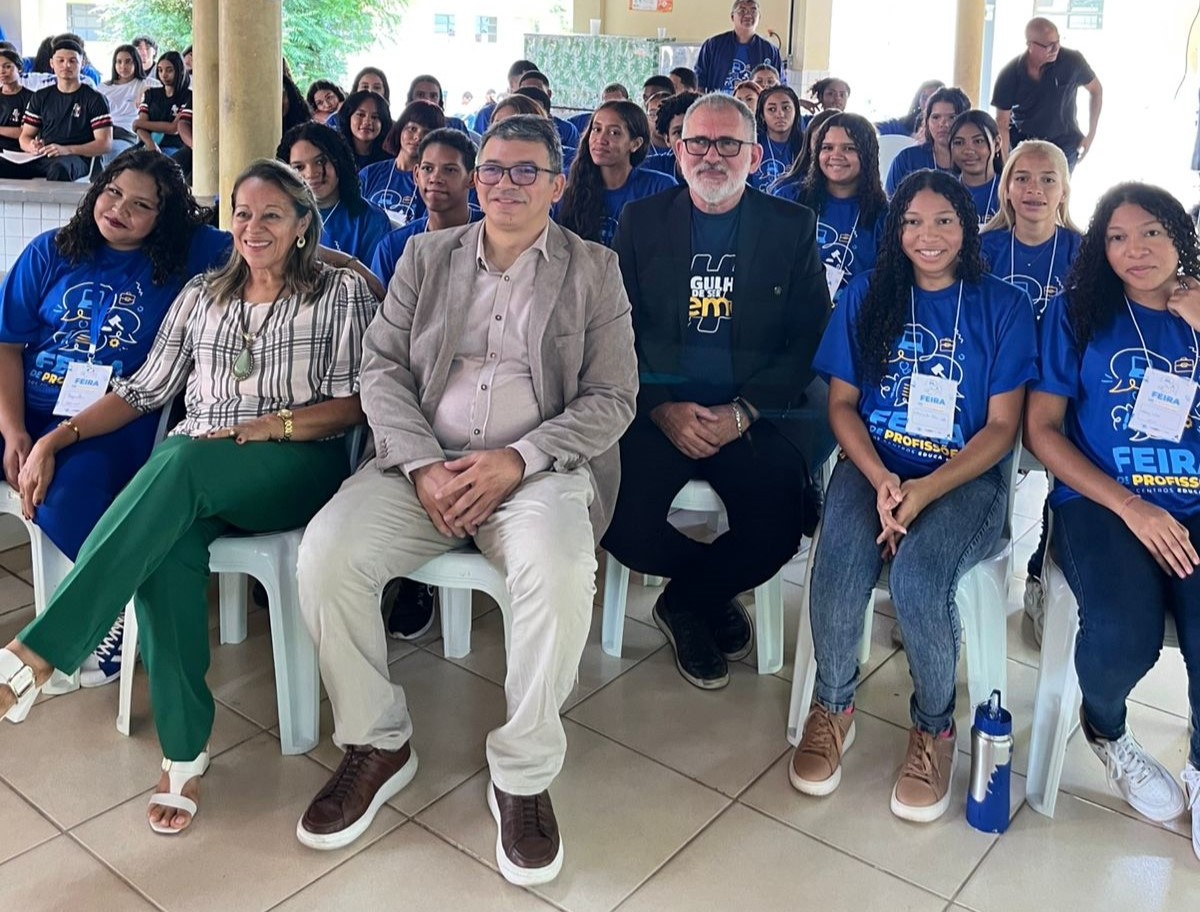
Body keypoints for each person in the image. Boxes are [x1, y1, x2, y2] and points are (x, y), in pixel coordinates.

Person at [293, 114, 637, 887]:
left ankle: (523, 771)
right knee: (327, 553)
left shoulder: (594, 270)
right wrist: (421, 465)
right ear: (475, 180)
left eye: (525, 171)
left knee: (559, 571)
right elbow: (381, 368)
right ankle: (378, 740)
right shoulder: (427, 255)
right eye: (492, 170)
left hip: (535, 472)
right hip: (421, 465)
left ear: (556, 184)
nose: (505, 184)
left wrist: (518, 460)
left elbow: (613, 397)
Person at [0, 159, 375, 836]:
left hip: (293, 461)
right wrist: (58, 436)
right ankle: (183, 752)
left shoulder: (337, 292)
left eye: (271, 215)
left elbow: (355, 404)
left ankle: (40, 651)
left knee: (179, 460)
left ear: (301, 225)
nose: (253, 228)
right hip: (197, 468)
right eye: (242, 213)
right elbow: (143, 390)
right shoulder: (204, 293)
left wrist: (273, 426)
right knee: (168, 541)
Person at [791, 170, 1036, 821]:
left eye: (944, 221)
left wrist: (925, 490)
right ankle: (833, 706)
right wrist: (881, 479)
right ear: (895, 229)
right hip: (875, 466)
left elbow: (1003, 429)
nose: (928, 236)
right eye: (912, 222)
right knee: (839, 558)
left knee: (919, 577)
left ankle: (934, 727)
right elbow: (841, 407)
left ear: (967, 227)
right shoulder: (869, 293)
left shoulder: (1003, 305)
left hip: (965, 479)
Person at [605, 92, 830, 689]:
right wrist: (661, 409)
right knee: (618, 519)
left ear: (754, 156)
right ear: (678, 152)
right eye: (698, 142)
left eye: (728, 143)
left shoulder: (790, 227)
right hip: (660, 408)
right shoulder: (641, 222)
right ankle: (708, 590)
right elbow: (617, 329)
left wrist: (743, 411)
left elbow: (809, 336)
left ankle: (684, 601)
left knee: (777, 530)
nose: (711, 155)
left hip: (751, 412)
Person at [0, 151, 231, 687]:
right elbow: (7, 346)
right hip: (29, 407)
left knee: (65, 493)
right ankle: (119, 595)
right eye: (112, 192)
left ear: (163, 219)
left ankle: (117, 605)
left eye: (141, 205)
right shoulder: (52, 251)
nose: (119, 210)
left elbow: (266, 241)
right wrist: (14, 431)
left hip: (113, 417)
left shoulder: (189, 254)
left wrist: (355, 266)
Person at [1023, 182, 1200, 852]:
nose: (1136, 250)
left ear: (1179, 236)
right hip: (1103, 502)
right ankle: (1106, 727)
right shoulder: (1078, 314)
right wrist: (1130, 505)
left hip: (1194, 500)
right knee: (1125, 634)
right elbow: (1042, 429)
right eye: (1118, 237)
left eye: (1152, 232)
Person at [979, 140, 1082, 640]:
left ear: (1064, 191)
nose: (1034, 189)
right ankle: (968, 568)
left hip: (1059, 390)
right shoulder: (981, 248)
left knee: (1073, 461)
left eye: (1047, 179)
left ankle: (1043, 573)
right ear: (1006, 188)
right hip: (994, 387)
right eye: (1022, 177)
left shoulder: (1087, 254)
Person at [775, 113, 888, 302]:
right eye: (827, 147)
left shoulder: (883, 215)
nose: (836, 155)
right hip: (793, 312)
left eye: (849, 148)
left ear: (868, 154)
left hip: (856, 316)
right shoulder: (789, 198)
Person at [369, 127, 480, 288]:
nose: (435, 178)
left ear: (471, 179)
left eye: (449, 170)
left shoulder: (492, 234)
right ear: (416, 175)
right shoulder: (394, 246)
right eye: (428, 168)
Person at [557, 100, 676, 248]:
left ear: (635, 144)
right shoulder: (566, 184)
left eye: (614, 132)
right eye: (596, 129)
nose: (601, 140)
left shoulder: (660, 188)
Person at [990, 17, 1102, 170]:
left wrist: (1091, 134)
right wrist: (1006, 163)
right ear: (1030, 45)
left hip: (1064, 142)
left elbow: (1096, 90)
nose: (1056, 49)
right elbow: (1002, 122)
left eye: (1058, 42)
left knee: (1056, 184)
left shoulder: (1072, 61)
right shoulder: (1010, 73)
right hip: (1025, 142)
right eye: (1049, 45)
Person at [0, 38, 110, 182]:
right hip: (43, 155)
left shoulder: (95, 99)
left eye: (72, 61)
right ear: (52, 63)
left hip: (76, 157)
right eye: (61, 60)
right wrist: (31, 146)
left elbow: (104, 144)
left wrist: (67, 150)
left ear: (82, 63)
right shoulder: (40, 96)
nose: (66, 65)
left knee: (59, 168)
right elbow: (25, 136)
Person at [280, 121, 390, 265]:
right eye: (299, 167)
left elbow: (373, 279)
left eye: (320, 162)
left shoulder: (371, 220)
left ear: (339, 162)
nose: (311, 173)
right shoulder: (279, 217)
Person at [359, 100, 444, 228]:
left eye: (426, 133)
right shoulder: (369, 173)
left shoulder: (433, 183)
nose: (418, 137)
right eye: (412, 129)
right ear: (400, 129)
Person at [885, 86, 970, 196]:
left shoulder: (974, 160)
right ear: (927, 122)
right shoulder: (907, 159)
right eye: (936, 117)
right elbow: (890, 202)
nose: (943, 124)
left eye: (952, 117)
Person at [695, 0, 784, 94]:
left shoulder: (770, 51)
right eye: (742, 11)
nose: (748, 15)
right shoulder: (712, 45)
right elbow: (699, 82)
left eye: (753, 11)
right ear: (732, 17)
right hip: (719, 101)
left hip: (755, 102)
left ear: (759, 17)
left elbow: (780, 86)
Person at [769, 107, 840, 201]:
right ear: (809, 146)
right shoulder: (788, 192)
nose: (835, 153)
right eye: (820, 141)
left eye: (847, 147)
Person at [949, 109, 1005, 225]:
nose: (968, 150)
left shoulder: (1010, 191)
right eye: (959, 142)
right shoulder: (943, 191)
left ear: (997, 144)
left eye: (978, 141)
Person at [96, 44, 149, 166]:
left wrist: (146, 92)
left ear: (136, 62)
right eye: (119, 62)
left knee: (111, 150)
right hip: (102, 131)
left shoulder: (146, 84)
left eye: (128, 62)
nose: (123, 66)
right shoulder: (103, 87)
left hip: (126, 133)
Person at [132, 50, 189, 156]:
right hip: (147, 144)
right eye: (160, 70)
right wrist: (150, 143)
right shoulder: (151, 93)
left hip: (174, 147)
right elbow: (140, 127)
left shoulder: (188, 97)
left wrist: (138, 123)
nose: (164, 75)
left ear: (180, 70)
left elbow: (174, 128)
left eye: (169, 70)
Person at [641, 90, 701, 180]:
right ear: (667, 139)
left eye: (696, 131)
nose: (687, 139)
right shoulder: (649, 168)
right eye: (679, 132)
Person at [752, 84, 802, 191]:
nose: (780, 114)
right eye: (772, 109)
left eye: (786, 108)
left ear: (796, 112)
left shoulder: (807, 146)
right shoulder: (752, 145)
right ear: (762, 116)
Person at [472, 58, 538, 135]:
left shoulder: (539, 115)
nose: (532, 91)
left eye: (537, 87)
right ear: (511, 84)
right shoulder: (487, 114)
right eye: (527, 84)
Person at [516, 71, 580, 151]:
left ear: (548, 94)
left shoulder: (568, 130)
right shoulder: (510, 131)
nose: (531, 97)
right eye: (525, 91)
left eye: (537, 90)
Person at [404, 74, 477, 140]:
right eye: (420, 95)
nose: (427, 100)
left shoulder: (456, 126)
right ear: (411, 99)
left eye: (433, 96)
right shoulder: (402, 127)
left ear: (440, 101)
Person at [337, 89, 392, 170]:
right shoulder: (334, 153)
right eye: (361, 114)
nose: (367, 122)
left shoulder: (390, 160)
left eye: (375, 117)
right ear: (348, 117)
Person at [876, 79, 944, 137]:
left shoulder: (947, 127)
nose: (927, 103)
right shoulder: (905, 124)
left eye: (933, 99)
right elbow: (875, 128)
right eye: (924, 97)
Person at [0, 48, 33, 153]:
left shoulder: (32, 98)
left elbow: (26, 132)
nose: (2, 71)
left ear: (19, 68)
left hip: (16, 151)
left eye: (7, 66)